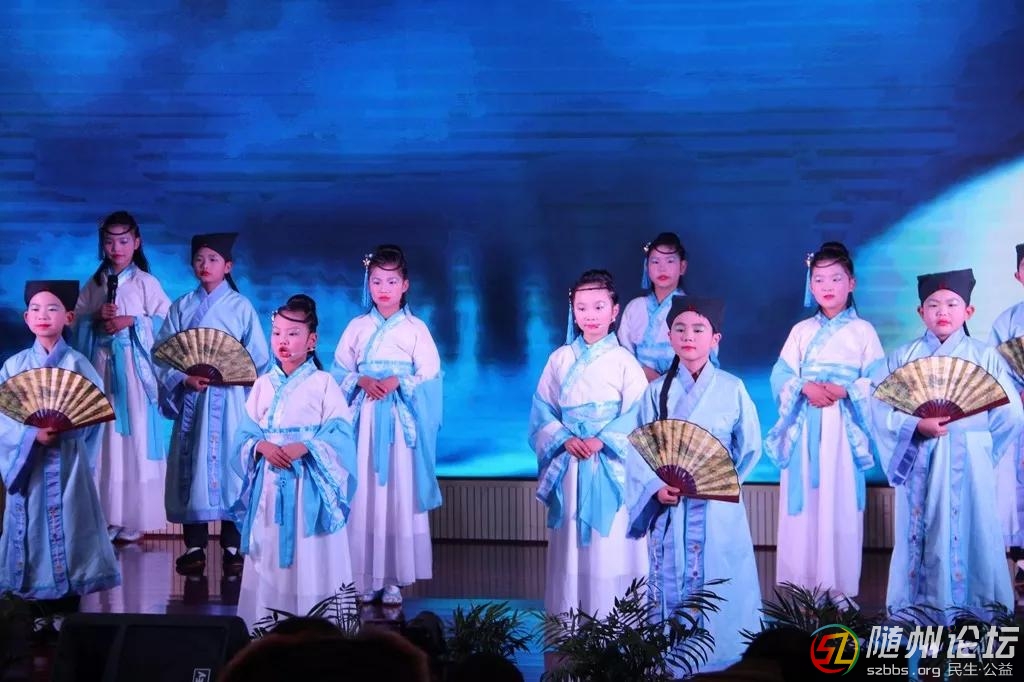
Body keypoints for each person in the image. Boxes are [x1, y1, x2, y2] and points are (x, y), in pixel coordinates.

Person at [870, 268, 1024, 617]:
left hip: (970, 462)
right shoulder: (904, 358)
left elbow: (1011, 415)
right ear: (920, 311)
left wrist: (982, 448)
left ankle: (975, 608)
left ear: (968, 311)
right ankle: (921, 609)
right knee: (925, 528)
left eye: (952, 304)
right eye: (933, 304)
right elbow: (879, 408)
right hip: (921, 457)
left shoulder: (985, 357)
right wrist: (915, 425)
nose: (943, 311)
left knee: (975, 528)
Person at [624, 295, 762, 673]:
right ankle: (669, 654)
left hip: (716, 509)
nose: (688, 337)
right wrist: (655, 486)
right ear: (669, 337)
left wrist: (720, 481)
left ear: (716, 338)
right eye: (680, 329)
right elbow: (637, 448)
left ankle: (723, 654)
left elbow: (750, 447)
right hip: (670, 506)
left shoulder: (732, 388)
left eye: (699, 329)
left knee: (722, 574)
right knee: (670, 578)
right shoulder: (656, 393)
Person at [763, 242, 884, 603]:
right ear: (810, 285)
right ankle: (804, 588)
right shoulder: (801, 331)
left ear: (852, 283)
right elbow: (780, 375)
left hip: (842, 430)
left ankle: (839, 588)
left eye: (836, 278)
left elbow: (879, 381)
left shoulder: (863, 331)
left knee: (839, 503)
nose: (827, 286)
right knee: (807, 505)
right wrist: (805, 387)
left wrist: (846, 390)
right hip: (804, 425)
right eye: (819, 279)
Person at [232, 295, 357, 630]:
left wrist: (307, 446)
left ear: (311, 340)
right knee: (269, 552)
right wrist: (260, 446)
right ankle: (266, 628)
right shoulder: (262, 385)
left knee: (312, 554)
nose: (282, 341)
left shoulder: (324, 384)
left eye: (292, 334)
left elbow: (341, 436)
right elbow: (243, 436)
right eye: (276, 333)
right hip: (271, 487)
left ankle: (319, 630)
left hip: (309, 486)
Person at [530, 269, 649, 617]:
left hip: (610, 463)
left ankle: (616, 616)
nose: (590, 315)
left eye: (599, 307)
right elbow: (541, 410)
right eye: (581, 308)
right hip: (571, 461)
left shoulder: (625, 361)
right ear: (573, 310)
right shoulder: (560, 359)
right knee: (570, 538)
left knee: (611, 542)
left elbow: (639, 413)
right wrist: (565, 438)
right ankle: (569, 615)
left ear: (614, 311)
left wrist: (603, 440)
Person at [330, 245, 442, 606]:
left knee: (397, 494)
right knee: (363, 495)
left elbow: (430, 378)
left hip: (400, 424)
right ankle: (363, 575)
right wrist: (359, 380)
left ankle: (394, 578)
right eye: (377, 281)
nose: (384, 288)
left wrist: (399, 381)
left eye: (392, 281)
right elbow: (338, 372)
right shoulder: (357, 327)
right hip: (363, 422)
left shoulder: (416, 329)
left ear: (405, 285)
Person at [153, 233, 270, 575]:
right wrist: (183, 378)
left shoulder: (240, 307)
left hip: (231, 401)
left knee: (234, 467)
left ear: (228, 266)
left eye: (213, 259)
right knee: (192, 467)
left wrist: (237, 377)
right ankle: (194, 546)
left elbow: (259, 359)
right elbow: (161, 353)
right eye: (199, 259)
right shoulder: (181, 307)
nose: (205, 265)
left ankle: (233, 544)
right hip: (194, 399)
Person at [0, 280, 121, 603]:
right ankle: (29, 603)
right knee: (30, 527)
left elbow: (93, 417)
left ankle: (66, 604)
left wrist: (69, 433)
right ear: (26, 317)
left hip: (69, 464)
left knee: (71, 524)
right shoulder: (14, 367)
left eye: (52, 309)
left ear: (68, 317)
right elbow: (3, 418)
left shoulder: (78, 364)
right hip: (28, 468)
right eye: (36, 309)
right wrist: (31, 435)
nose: (43, 315)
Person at [72, 211, 172, 543]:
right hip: (102, 368)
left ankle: (134, 516)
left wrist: (133, 322)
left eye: (124, 241)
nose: (117, 248)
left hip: (133, 371)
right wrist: (93, 318)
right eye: (110, 242)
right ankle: (107, 515)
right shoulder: (96, 283)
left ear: (137, 243)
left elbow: (169, 323)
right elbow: (74, 322)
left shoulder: (145, 283)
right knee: (104, 442)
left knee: (134, 441)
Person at [988, 243, 1024, 573]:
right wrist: (1017, 394)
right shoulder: (1007, 321)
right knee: (1014, 488)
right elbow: (994, 373)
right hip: (1019, 414)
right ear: (1018, 275)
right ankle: (1019, 563)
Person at [617, 232, 690, 382]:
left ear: (682, 267)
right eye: (655, 262)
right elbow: (623, 353)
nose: (662, 268)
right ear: (647, 266)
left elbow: (704, 359)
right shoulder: (634, 308)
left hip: (681, 388)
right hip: (637, 386)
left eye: (670, 261)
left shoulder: (692, 309)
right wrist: (642, 372)